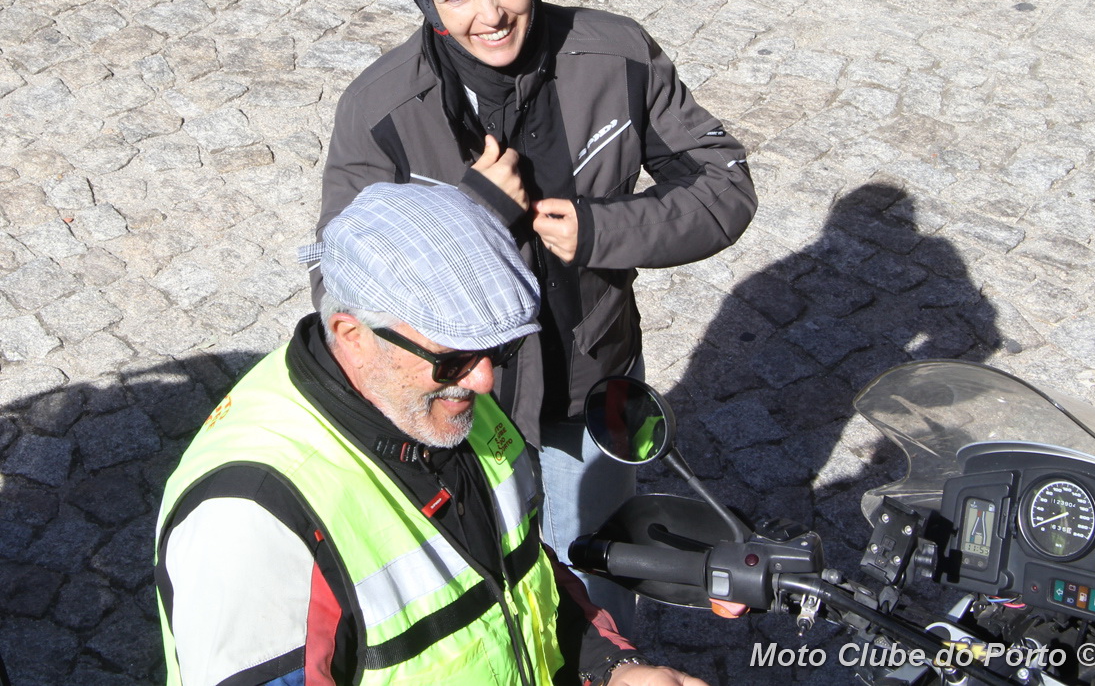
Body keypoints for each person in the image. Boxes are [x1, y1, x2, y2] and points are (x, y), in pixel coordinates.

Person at [315, 0, 757, 625]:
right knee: (487, 602)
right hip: (458, 402)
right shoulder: (379, 109)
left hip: (591, 389)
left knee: (599, 589)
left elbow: (725, 184)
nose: (489, 14)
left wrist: (603, 230)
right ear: (427, 4)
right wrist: (475, 213)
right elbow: (338, 281)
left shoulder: (616, 55)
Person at [155, 183, 708, 686]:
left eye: (499, 349)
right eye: (453, 359)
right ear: (353, 334)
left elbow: (522, 570)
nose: (485, 380)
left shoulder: (442, 400)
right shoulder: (252, 522)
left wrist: (609, 666)